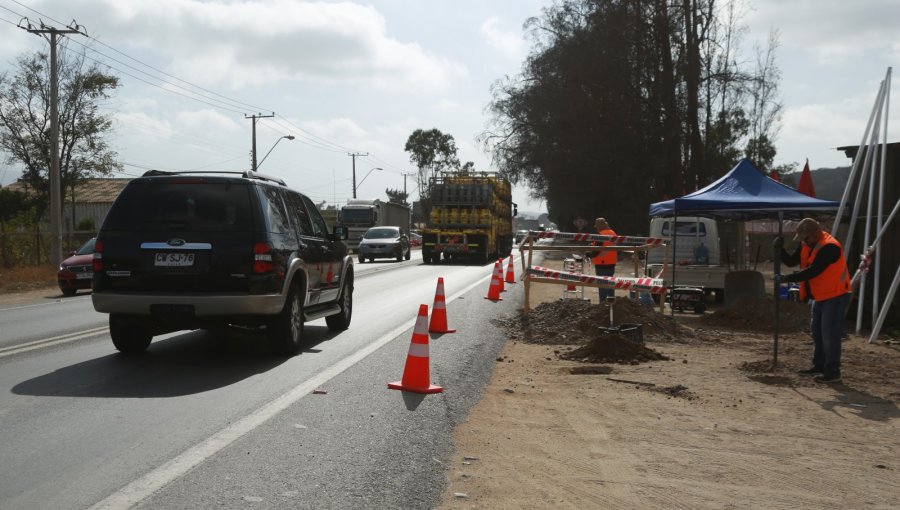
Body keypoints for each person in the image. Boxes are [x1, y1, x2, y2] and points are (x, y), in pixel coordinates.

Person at [775, 218, 851, 384]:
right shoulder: (807, 243)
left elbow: (813, 271)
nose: (804, 242)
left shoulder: (830, 247)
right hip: (820, 295)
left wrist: (787, 278)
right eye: (802, 239)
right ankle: (820, 366)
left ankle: (833, 372)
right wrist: (779, 249)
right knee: (817, 332)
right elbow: (791, 261)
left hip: (836, 295)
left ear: (816, 234)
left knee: (830, 335)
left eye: (806, 238)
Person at [591, 217, 617, 301]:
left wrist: (587, 254)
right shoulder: (613, 233)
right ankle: (611, 306)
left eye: (597, 226)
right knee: (610, 285)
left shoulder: (600, 235)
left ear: (599, 226)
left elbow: (596, 252)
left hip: (601, 265)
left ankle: (602, 306)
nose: (597, 228)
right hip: (611, 264)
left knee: (602, 286)